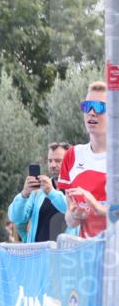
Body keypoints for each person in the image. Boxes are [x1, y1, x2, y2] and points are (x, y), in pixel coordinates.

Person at [60, 82, 109, 238]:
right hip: (87, 255)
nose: (92, 112)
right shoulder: (72, 155)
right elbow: (70, 220)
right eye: (87, 106)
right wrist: (75, 215)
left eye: (100, 107)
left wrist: (95, 206)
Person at [7, 143, 69, 243]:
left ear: (69, 161)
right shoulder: (38, 192)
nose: (53, 165)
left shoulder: (77, 187)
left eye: (58, 161)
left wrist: (51, 192)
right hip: (38, 254)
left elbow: (73, 211)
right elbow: (15, 218)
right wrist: (24, 195)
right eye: (50, 161)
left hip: (65, 254)